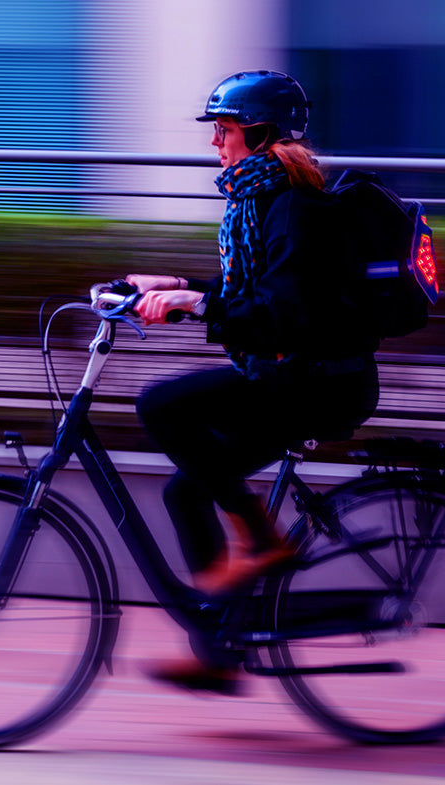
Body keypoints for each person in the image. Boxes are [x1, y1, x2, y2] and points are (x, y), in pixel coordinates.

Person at [127, 70, 380, 693]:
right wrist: (180, 288)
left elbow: (279, 317)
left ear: (259, 132)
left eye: (225, 130)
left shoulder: (291, 207)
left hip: (318, 382)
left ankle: (259, 536)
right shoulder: (262, 201)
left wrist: (194, 308)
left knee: (160, 405)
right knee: (185, 492)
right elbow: (258, 298)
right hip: (288, 374)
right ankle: (217, 650)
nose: (216, 143)